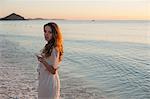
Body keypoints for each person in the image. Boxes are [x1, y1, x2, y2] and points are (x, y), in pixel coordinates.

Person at [36, 22, 63, 99]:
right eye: (45, 31)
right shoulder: (49, 46)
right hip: (45, 80)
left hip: (49, 82)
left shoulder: (54, 48)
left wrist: (42, 61)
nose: (46, 34)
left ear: (55, 34)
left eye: (49, 32)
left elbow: (53, 71)